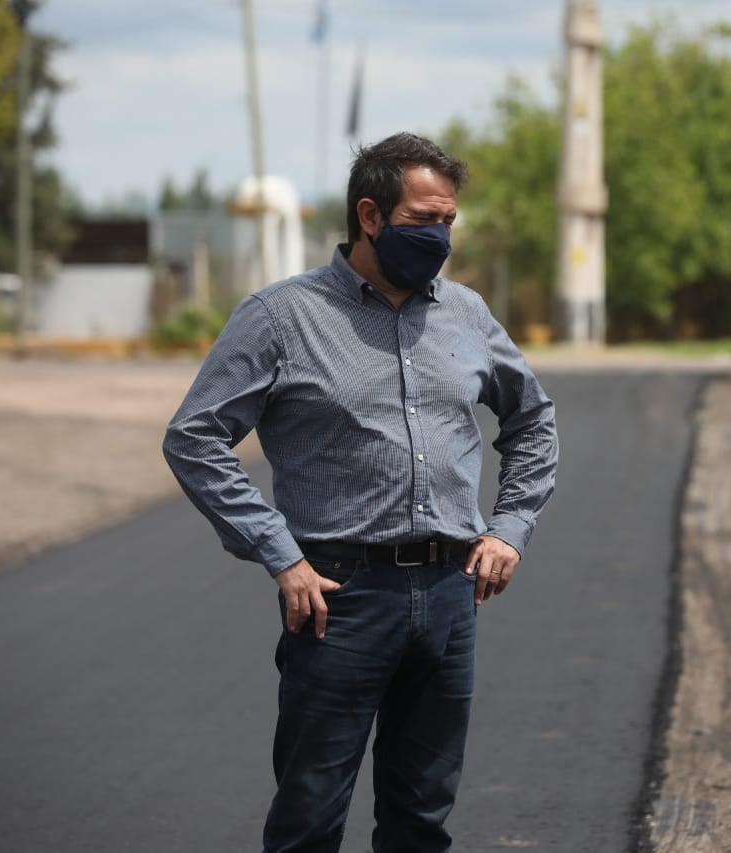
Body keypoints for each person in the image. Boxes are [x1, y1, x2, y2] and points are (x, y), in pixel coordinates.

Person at [162, 132, 559, 853]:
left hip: (450, 593)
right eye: (423, 220)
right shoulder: (281, 317)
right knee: (310, 818)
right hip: (337, 598)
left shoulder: (466, 314)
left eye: (448, 221)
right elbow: (194, 437)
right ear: (370, 216)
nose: (439, 235)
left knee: (421, 818)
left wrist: (510, 525)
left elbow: (532, 417)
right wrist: (280, 555)